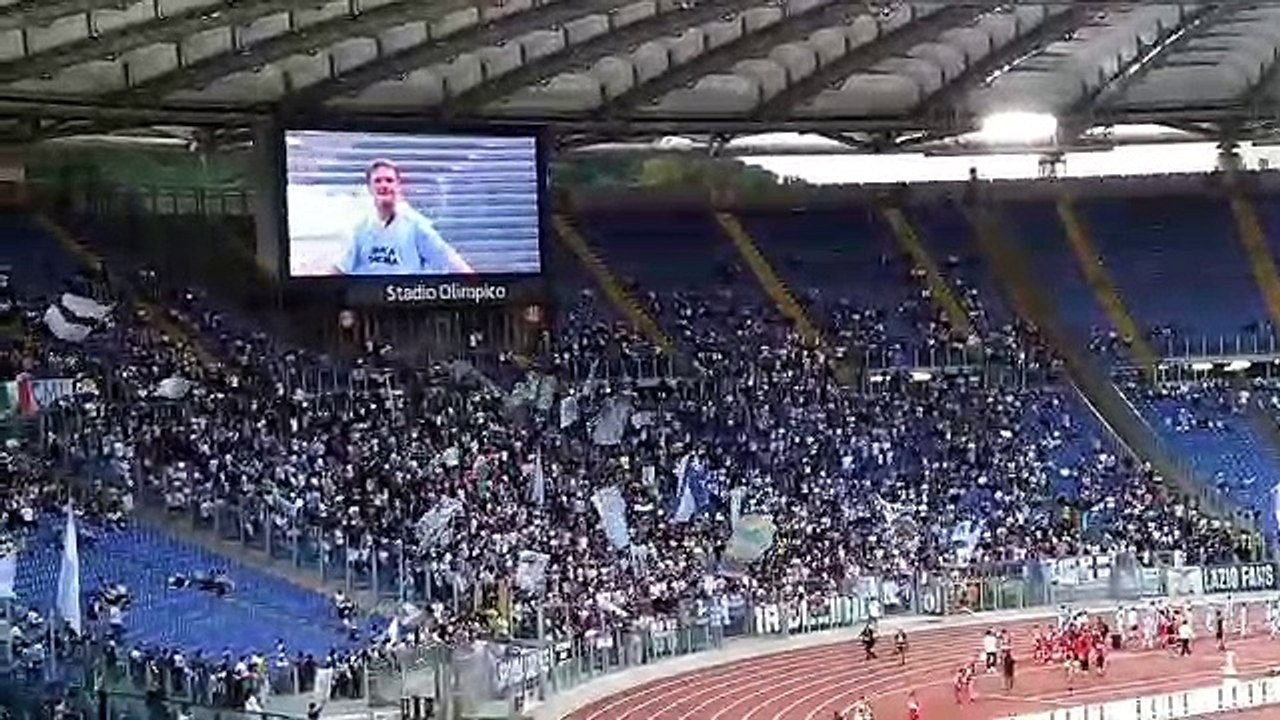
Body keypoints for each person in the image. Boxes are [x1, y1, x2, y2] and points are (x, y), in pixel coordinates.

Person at [332, 159, 474, 276]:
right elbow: (340, 268)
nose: (384, 185)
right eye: (378, 181)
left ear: (398, 186)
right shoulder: (360, 229)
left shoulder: (415, 225)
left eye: (389, 180)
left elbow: (449, 260)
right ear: (369, 187)